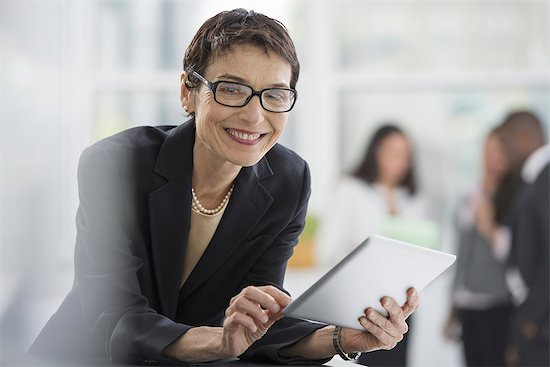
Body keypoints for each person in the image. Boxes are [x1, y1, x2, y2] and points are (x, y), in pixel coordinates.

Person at [28, 9, 418, 365]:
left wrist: (342, 338)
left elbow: (258, 324)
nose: (254, 115)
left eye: (275, 95)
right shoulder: (116, 165)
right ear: (188, 92)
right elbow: (117, 320)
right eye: (231, 89)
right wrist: (221, 343)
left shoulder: (288, 180)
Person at [317, 124, 430, 366]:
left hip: (401, 309)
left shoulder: (413, 198)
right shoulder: (349, 189)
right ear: (375, 152)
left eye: (405, 154)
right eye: (392, 152)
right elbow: (327, 249)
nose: (399, 161)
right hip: (360, 308)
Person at [443, 128, 514, 366]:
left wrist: (488, 228)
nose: (492, 159)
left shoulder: (515, 197)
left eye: (499, 153)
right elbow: (460, 254)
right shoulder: (469, 194)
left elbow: (516, 255)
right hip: (467, 303)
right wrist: (452, 310)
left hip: (497, 304)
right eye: (488, 151)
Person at [497, 111, 549, 367]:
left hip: (541, 324)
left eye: (505, 143)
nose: (502, 152)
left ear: (524, 137)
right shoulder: (534, 178)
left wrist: (533, 317)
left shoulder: (547, 178)